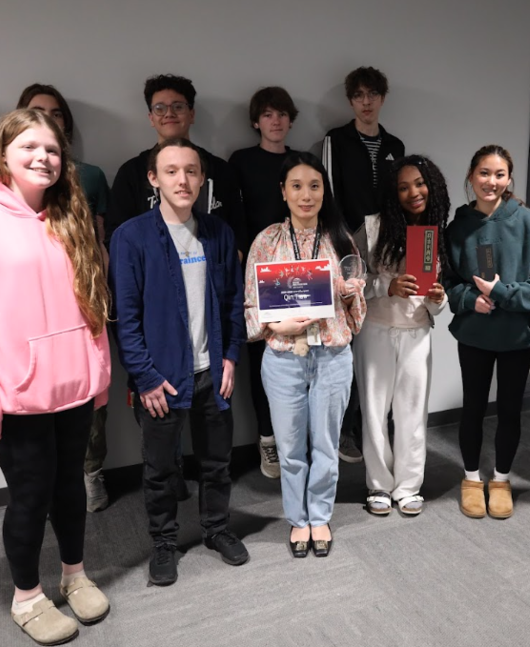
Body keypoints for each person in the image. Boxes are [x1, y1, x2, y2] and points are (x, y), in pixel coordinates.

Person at [0, 109, 112, 645]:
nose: (44, 158)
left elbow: (93, 307)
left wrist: (97, 375)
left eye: (53, 150)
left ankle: (75, 574)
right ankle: (27, 596)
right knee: (31, 497)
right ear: (3, 154)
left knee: (71, 491)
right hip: (16, 396)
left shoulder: (69, 213)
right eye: (30, 147)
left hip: (73, 389)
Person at [110, 139, 249, 587]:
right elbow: (125, 319)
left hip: (213, 373)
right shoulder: (131, 236)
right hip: (160, 382)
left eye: (191, 171)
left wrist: (230, 357)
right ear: (154, 179)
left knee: (216, 463)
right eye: (171, 171)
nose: (182, 180)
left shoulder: (218, 233)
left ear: (202, 178)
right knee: (161, 469)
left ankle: (216, 529)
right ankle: (164, 542)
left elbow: (233, 304)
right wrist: (145, 377)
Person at [244, 151, 366, 558]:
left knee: (326, 446)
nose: (306, 194)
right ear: (283, 192)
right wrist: (272, 325)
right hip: (283, 359)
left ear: (324, 190)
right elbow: (249, 308)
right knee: (291, 447)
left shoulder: (340, 239)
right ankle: (297, 519)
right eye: (296, 185)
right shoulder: (266, 241)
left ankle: (320, 516)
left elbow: (358, 317)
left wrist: (351, 295)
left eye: (315, 185)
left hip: (332, 356)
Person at [444, 146, 530, 519]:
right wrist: (469, 299)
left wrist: (501, 293)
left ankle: (502, 479)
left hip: (516, 336)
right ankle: (473, 479)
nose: (491, 182)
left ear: (509, 179)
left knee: (510, 410)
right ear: (471, 176)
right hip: (475, 333)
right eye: (483, 173)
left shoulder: (529, 223)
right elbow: (449, 282)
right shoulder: (458, 226)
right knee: (473, 408)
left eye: (499, 175)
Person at [17, 82, 112, 512]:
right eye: (38, 112)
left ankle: (91, 473)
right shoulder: (3, 185)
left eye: (56, 113)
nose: (49, 118)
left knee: (91, 400)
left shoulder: (89, 176)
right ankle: (50, 482)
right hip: (32, 312)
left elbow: (100, 240)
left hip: (84, 300)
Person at [354, 155, 448, 516]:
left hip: (416, 332)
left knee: (412, 413)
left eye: (420, 184)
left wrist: (439, 299)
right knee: (375, 412)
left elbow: (439, 298)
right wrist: (384, 285)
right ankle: (378, 485)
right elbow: (350, 284)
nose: (414, 192)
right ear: (393, 194)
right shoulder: (372, 227)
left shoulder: (436, 232)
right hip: (375, 329)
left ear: (432, 186)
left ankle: (408, 487)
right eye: (403, 186)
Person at [322, 66, 405, 464]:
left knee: (381, 329)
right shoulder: (335, 141)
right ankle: (344, 430)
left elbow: (399, 199)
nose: (366, 102)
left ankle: (375, 422)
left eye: (373, 94)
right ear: (350, 100)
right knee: (348, 335)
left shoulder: (395, 145)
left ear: (383, 98)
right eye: (359, 96)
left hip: (385, 244)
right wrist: (340, 244)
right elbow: (328, 195)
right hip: (348, 242)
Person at [229, 86, 299, 479]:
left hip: (299, 273)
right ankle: (267, 439)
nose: (276, 121)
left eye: (283, 114)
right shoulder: (241, 161)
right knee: (263, 356)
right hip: (259, 271)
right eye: (268, 115)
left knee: (300, 352)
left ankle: (293, 437)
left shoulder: (301, 162)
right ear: (257, 121)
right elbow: (235, 216)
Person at [104, 73, 243, 250]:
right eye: (160, 108)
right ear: (151, 118)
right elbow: (116, 237)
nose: (169, 113)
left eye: (178, 107)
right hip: (151, 273)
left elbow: (238, 235)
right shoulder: (131, 172)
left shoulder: (222, 170)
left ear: (192, 115)